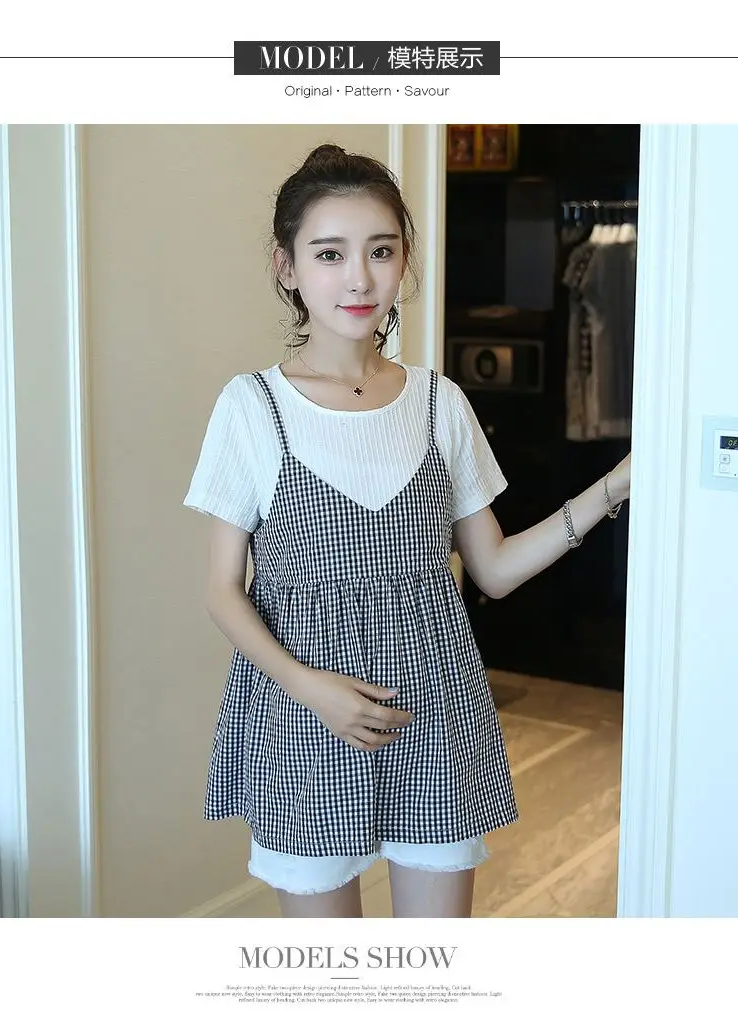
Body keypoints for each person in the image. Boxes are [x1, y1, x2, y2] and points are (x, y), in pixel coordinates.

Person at [183, 143, 631, 920]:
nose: (359, 278)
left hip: (435, 710)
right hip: (305, 715)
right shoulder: (252, 407)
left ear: (404, 262)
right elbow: (224, 590)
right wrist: (310, 688)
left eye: (381, 251)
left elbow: (493, 568)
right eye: (330, 254)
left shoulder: (439, 403)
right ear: (288, 267)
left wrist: (614, 487)